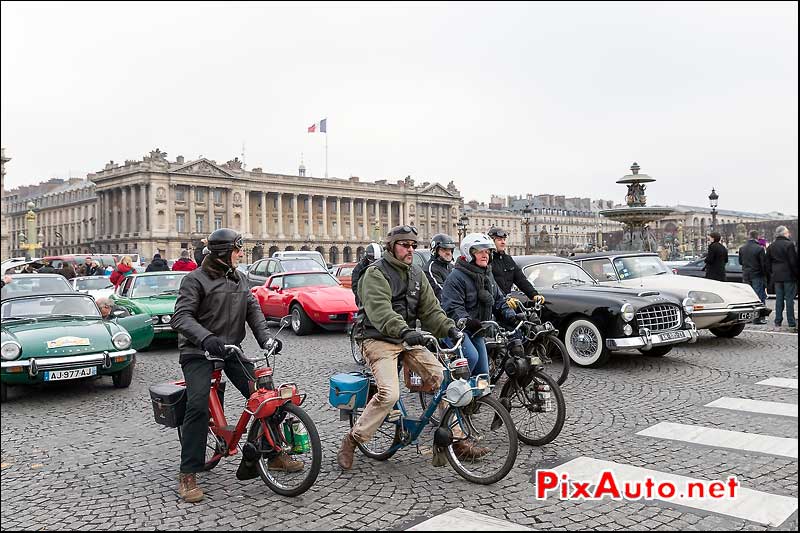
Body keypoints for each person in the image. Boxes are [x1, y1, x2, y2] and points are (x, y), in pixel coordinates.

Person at [170, 228, 295, 503]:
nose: (241, 254)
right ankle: (188, 473)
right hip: (198, 352)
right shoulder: (194, 280)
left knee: (267, 396)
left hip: (230, 350)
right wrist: (206, 338)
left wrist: (266, 340)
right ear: (223, 253)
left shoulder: (240, 278)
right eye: (237, 250)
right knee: (197, 404)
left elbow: (253, 310)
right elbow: (180, 317)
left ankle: (272, 455)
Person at [338, 225, 464, 470]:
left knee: (443, 379)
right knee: (389, 394)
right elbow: (380, 312)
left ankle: (457, 439)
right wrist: (406, 331)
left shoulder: (417, 273)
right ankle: (352, 439)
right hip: (376, 339)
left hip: (406, 338)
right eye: (405, 245)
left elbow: (430, 311)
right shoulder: (375, 274)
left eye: (413, 246)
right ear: (391, 246)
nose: (410, 250)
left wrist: (448, 328)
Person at [441, 233, 520, 379]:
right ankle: (450, 393)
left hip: (477, 329)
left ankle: (476, 400)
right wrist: (467, 320)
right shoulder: (456, 277)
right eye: (480, 252)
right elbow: (452, 308)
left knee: (484, 375)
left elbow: (498, 299)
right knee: (471, 357)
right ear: (469, 253)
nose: (485, 255)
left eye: (487, 252)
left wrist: (512, 316)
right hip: (456, 329)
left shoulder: (487, 274)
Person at [487, 227, 545, 305]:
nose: (503, 242)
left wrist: (534, 295)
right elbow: (488, 285)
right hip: (493, 304)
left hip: (508, 302)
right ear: (491, 241)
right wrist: (504, 298)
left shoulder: (508, 259)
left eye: (504, 239)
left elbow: (521, 280)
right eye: (499, 240)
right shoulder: (487, 260)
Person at [766, 225, 798, 331]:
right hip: (789, 275)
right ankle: (791, 322)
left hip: (777, 276)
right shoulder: (789, 245)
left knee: (779, 299)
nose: (789, 234)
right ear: (784, 233)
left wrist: (772, 273)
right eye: (787, 232)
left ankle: (777, 321)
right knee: (789, 299)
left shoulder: (771, 246)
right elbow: (793, 262)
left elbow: (767, 263)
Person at [739, 230, 769, 323]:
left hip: (746, 274)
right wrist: (765, 275)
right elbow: (763, 264)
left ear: (749, 236)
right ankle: (758, 318)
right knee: (758, 296)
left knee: (747, 297)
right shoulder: (759, 249)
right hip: (757, 274)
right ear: (757, 237)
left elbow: (740, 262)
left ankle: (747, 318)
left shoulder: (742, 248)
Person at [425, 233, 456, 302]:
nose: (448, 253)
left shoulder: (451, 267)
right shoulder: (430, 269)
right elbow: (441, 292)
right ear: (435, 250)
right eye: (444, 249)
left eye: (450, 249)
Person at [350, 242, 383, 307]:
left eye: (377, 260)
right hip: (364, 300)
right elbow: (355, 286)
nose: (375, 263)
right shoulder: (359, 268)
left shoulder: (384, 265)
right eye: (372, 259)